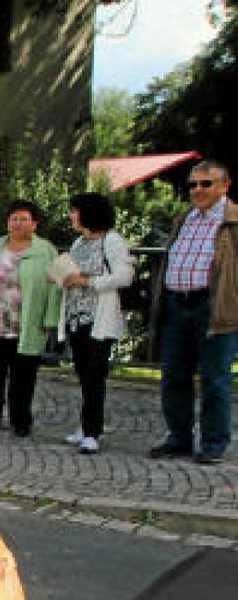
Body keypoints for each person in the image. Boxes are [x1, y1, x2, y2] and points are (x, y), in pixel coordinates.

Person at [150, 159, 238, 465]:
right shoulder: (184, 219)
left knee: (215, 378)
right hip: (177, 304)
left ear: (225, 186)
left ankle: (214, 442)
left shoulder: (233, 220)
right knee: (174, 375)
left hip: (214, 307)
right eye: (192, 184)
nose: (197, 190)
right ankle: (179, 438)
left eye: (206, 183)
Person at [0, 200, 61, 438]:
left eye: (24, 219)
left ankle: (21, 421)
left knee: (23, 376)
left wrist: (51, 317)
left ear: (34, 224)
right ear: (7, 223)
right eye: (14, 219)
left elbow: (56, 288)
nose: (18, 224)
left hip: (27, 323)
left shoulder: (46, 251)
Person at [55, 193, 134, 454]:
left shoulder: (111, 241)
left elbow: (125, 275)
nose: (71, 216)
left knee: (94, 376)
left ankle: (93, 431)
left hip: (97, 319)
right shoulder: (79, 242)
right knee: (83, 374)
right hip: (76, 318)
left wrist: (87, 281)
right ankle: (85, 425)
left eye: (75, 211)